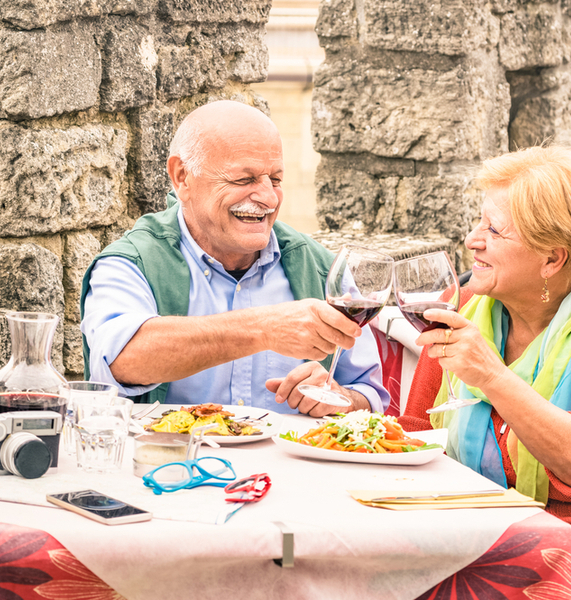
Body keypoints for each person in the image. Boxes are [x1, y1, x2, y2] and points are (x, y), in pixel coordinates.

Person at [80, 100, 389, 417]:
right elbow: (122, 359)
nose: (269, 198)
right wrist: (263, 328)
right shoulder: (131, 262)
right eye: (244, 179)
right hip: (172, 464)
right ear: (182, 177)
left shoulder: (321, 268)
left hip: (293, 467)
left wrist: (341, 398)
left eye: (276, 179)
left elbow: (371, 395)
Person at [399, 145, 571, 522]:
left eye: (493, 229)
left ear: (551, 259)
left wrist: (492, 377)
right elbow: (415, 434)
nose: (471, 240)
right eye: (479, 222)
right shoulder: (459, 306)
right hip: (459, 525)